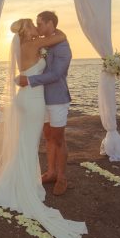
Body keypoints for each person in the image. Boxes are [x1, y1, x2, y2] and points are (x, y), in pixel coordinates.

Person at [0, 18, 87, 238]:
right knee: (29, 144)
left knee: (24, 143)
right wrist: (53, 31)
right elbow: (61, 36)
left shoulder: (21, 46)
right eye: (33, 24)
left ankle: (22, 179)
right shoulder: (36, 44)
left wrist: (44, 35)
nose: (36, 27)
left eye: (40, 23)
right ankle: (26, 184)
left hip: (25, 100)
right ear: (27, 30)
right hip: (34, 100)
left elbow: (54, 66)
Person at [18, 11, 72, 196]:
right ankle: (51, 172)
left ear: (50, 24)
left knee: (58, 139)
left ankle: (62, 177)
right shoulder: (43, 43)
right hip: (40, 99)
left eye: (40, 24)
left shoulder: (62, 46)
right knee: (48, 136)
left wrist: (30, 80)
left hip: (57, 99)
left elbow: (57, 74)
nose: (38, 27)